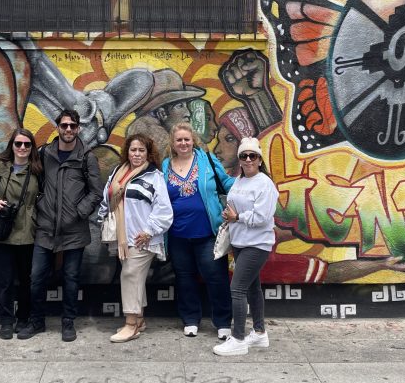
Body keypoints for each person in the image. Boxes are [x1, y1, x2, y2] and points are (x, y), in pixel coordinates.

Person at [19, 108, 102, 342]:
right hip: (45, 228)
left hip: (74, 230)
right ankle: (37, 321)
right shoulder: (45, 153)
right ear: (58, 127)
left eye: (72, 126)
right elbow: (25, 171)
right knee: (36, 277)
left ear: (78, 128)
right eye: (64, 125)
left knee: (71, 278)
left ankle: (68, 322)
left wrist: (79, 212)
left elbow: (96, 192)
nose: (68, 130)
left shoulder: (87, 156)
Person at [97, 134, 173, 343]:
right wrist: (102, 219)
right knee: (134, 276)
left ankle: (130, 325)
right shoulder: (118, 172)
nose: (136, 154)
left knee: (130, 274)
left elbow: (164, 210)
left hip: (143, 238)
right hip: (122, 238)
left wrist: (149, 231)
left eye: (141, 150)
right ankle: (139, 318)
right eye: (133, 150)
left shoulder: (154, 177)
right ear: (127, 152)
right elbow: (107, 197)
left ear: (148, 153)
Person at [162, 121, 234, 339]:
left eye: (187, 139)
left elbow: (227, 182)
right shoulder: (165, 165)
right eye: (179, 140)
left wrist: (253, 187)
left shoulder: (207, 160)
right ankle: (190, 319)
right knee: (184, 278)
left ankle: (222, 322)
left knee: (216, 277)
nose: (183, 143)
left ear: (193, 140)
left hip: (207, 234)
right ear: (173, 144)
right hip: (177, 235)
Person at [213, 137, 279, 357]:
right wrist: (229, 215)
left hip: (257, 244)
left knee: (237, 289)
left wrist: (237, 216)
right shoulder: (239, 181)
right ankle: (259, 333)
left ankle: (239, 338)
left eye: (253, 156)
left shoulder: (265, 184)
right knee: (252, 288)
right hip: (240, 242)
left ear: (260, 160)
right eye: (244, 156)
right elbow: (234, 208)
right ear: (240, 160)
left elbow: (262, 216)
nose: (248, 159)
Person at [0, 128, 42, 340]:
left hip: (27, 231)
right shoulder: (1, 167)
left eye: (27, 144)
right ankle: (6, 320)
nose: (23, 148)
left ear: (32, 147)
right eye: (18, 144)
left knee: (26, 280)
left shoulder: (37, 170)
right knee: (4, 280)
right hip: (2, 232)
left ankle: (23, 317)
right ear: (12, 146)